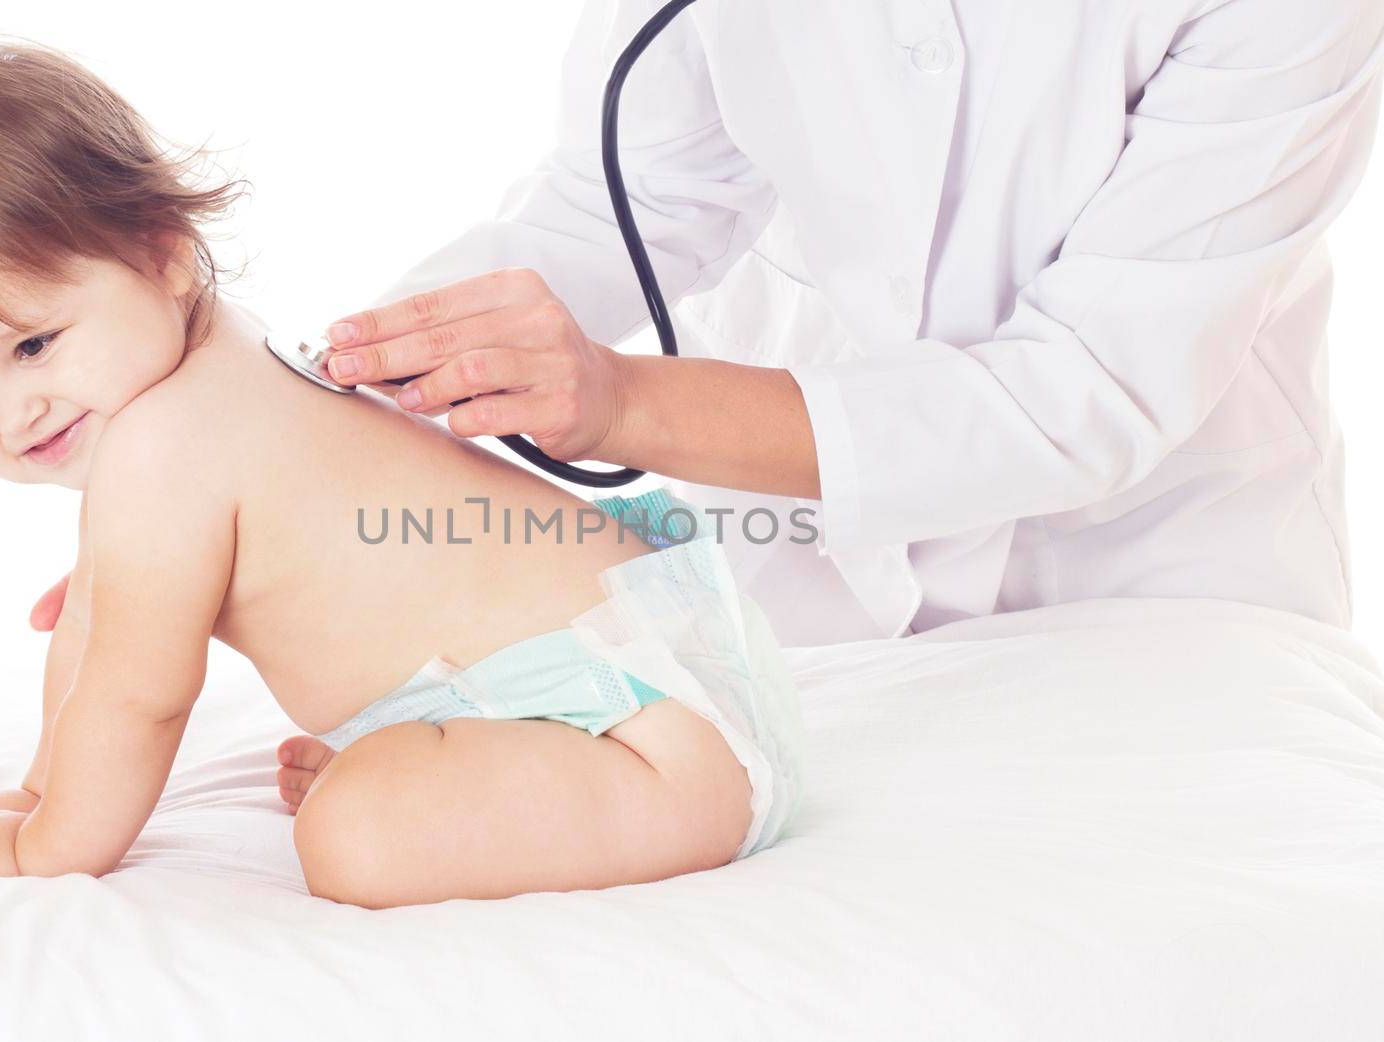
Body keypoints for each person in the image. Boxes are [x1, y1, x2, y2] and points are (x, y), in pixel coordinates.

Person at [0, 41, 804, 906]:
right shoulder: (207, 379)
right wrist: (38, 787)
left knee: (353, 835)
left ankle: (526, 784)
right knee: (366, 790)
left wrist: (43, 847)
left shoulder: (170, 441)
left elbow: (135, 698)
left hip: (654, 739)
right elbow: (92, 636)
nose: (11, 410)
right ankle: (458, 758)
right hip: (631, 671)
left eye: (33, 344)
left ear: (163, 256)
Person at [84, 0, 1375, 650]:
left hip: (1159, 582)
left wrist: (622, 402)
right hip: (792, 578)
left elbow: (1082, 389)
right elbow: (624, 204)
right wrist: (279, 437)